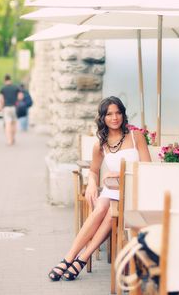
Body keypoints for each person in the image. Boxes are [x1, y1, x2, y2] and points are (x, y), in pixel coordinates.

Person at [48, 96, 151, 281]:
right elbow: (94, 171)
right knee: (101, 208)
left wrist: (120, 173)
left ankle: (81, 259)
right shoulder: (100, 145)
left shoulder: (136, 137)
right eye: (109, 114)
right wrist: (92, 184)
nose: (114, 117)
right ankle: (70, 257)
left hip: (134, 189)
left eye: (118, 112)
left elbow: (147, 168)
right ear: (102, 117)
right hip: (113, 189)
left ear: (123, 114)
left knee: (111, 214)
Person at [0, 74, 20, 145]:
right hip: (14, 107)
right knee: (14, 123)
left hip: (6, 107)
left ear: (5, 80)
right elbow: (20, 96)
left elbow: (2, 99)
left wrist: (1, 107)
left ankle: (9, 140)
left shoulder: (3, 89)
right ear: (10, 80)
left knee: (8, 124)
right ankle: (13, 137)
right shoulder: (16, 87)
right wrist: (16, 100)